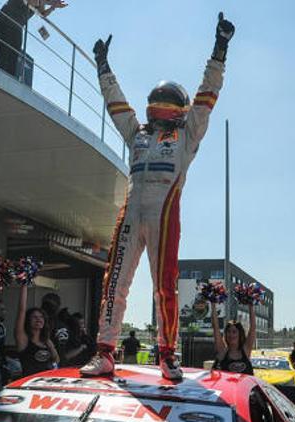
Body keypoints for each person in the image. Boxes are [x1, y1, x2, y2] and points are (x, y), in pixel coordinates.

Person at [81, 12, 235, 380]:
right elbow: (116, 104)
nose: (159, 104)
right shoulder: (138, 134)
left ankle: (168, 355)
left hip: (165, 215)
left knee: (165, 286)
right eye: (157, 99)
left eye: (165, 99)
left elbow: (206, 97)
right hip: (131, 214)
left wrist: (220, 50)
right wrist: (103, 66)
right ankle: (105, 352)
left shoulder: (187, 136)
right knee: (114, 282)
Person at [0, 0, 67, 77]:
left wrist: (53, 7)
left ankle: (6, 80)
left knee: (13, 55)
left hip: (16, 26)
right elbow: (31, 1)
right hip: (6, 20)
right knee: (5, 53)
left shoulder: (41, 1)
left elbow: (42, 14)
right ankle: (0, 79)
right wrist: (51, 2)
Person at [15, 284, 59, 375]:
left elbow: (57, 360)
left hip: (45, 382)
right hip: (29, 384)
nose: (38, 319)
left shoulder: (46, 341)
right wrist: (24, 285)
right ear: (28, 320)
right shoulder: (23, 340)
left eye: (41, 317)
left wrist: (50, 345)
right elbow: (21, 310)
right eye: (34, 317)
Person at [211, 300, 255, 374]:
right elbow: (215, 327)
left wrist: (250, 305)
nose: (231, 335)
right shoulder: (222, 351)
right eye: (228, 332)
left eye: (234, 332)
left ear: (240, 334)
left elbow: (253, 327)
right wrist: (213, 303)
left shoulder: (246, 350)